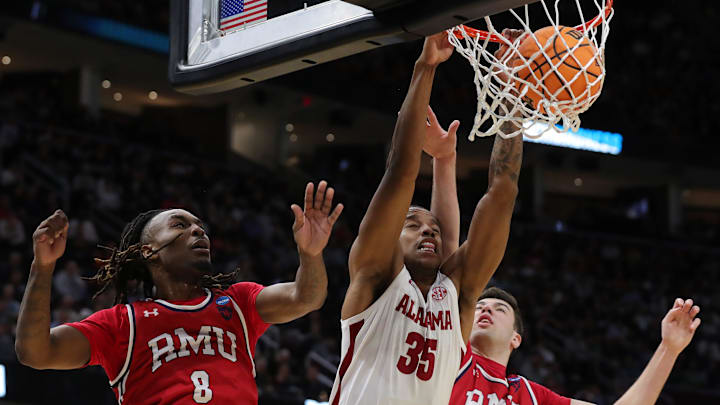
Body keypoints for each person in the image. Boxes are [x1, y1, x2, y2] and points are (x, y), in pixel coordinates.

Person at [15, 181, 344, 405]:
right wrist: (41, 268)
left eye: (199, 225)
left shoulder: (239, 302)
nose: (197, 230)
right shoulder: (122, 323)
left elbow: (306, 297)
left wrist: (311, 255)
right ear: (148, 251)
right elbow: (35, 352)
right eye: (179, 225)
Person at [329, 31, 524, 405]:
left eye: (434, 229)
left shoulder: (457, 295)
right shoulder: (374, 277)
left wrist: (511, 91)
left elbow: (503, 192)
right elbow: (400, 170)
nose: (428, 232)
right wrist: (427, 66)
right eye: (413, 225)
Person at [451, 288, 702, 405]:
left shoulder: (529, 395)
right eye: (479, 308)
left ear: (515, 338)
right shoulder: (450, 362)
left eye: (499, 309)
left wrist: (669, 348)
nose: (485, 310)